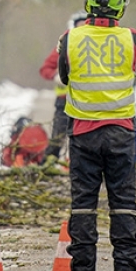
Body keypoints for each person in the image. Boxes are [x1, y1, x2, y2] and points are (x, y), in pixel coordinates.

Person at [57, 0, 136, 271]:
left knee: (83, 204)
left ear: (88, 1)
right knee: (123, 202)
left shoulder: (70, 38)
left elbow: (65, 77)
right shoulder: (132, 38)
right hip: (121, 132)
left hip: (83, 133)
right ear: (121, 5)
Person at [39, 10, 88, 163]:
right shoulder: (64, 45)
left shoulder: (95, 47)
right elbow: (45, 68)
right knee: (57, 137)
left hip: (87, 102)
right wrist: (56, 75)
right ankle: (48, 165)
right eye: (79, 25)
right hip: (64, 101)